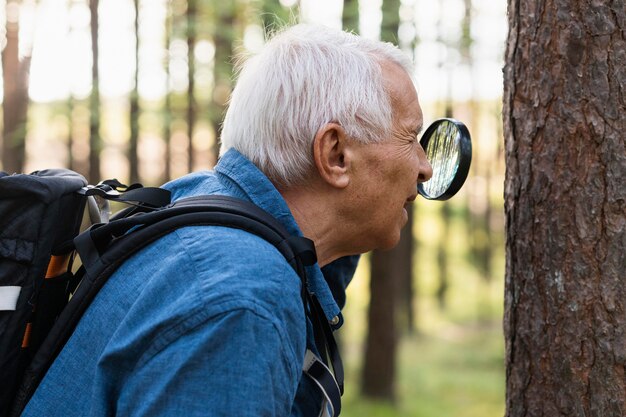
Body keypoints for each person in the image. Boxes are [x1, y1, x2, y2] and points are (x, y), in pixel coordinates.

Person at [21, 24, 432, 417]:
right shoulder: (241, 303)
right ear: (336, 154)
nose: (425, 167)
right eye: (410, 138)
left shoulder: (197, 200)